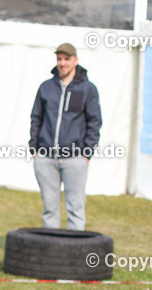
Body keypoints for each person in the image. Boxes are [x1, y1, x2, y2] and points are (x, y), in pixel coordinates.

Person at [29, 43, 102, 230]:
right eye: (59, 59)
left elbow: (95, 122)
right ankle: (51, 251)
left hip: (75, 159)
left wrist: (86, 154)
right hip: (45, 158)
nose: (62, 63)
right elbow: (36, 118)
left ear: (75, 61)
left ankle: (75, 255)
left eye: (66, 59)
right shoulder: (45, 87)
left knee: (76, 209)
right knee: (50, 209)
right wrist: (34, 149)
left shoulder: (88, 89)